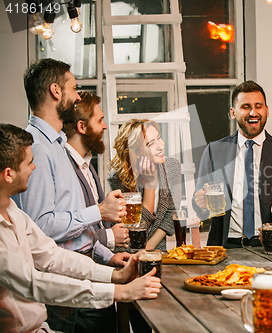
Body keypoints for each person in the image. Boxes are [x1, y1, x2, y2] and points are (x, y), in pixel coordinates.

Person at [0, 123, 162, 333]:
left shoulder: (12, 210)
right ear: (8, 174)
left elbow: (52, 256)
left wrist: (115, 277)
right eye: (29, 162)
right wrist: (119, 292)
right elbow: (35, 283)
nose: (35, 167)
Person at [11, 58, 130, 333]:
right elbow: (41, 229)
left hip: (84, 270)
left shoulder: (58, 144)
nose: (77, 97)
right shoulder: (36, 148)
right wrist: (99, 212)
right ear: (56, 91)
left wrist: (104, 254)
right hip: (65, 290)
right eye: (74, 88)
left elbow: (73, 224)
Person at [193, 80, 272, 250]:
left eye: (258, 106)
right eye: (246, 106)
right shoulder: (214, 151)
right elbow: (200, 204)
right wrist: (199, 203)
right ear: (233, 112)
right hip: (224, 247)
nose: (253, 112)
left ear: (267, 111)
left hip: (270, 247)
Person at [63, 91, 129, 251]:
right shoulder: (64, 166)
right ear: (82, 126)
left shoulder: (86, 162)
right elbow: (63, 229)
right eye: (100, 120)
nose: (105, 126)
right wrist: (108, 236)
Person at [107, 119, 182, 251]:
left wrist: (149, 247)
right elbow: (134, 227)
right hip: (127, 251)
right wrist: (150, 184)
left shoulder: (172, 167)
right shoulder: (118, 178)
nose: (160, 145)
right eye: (151, 143)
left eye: (159, 138)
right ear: (136, 152)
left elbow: (171, 213)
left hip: (157, 250)